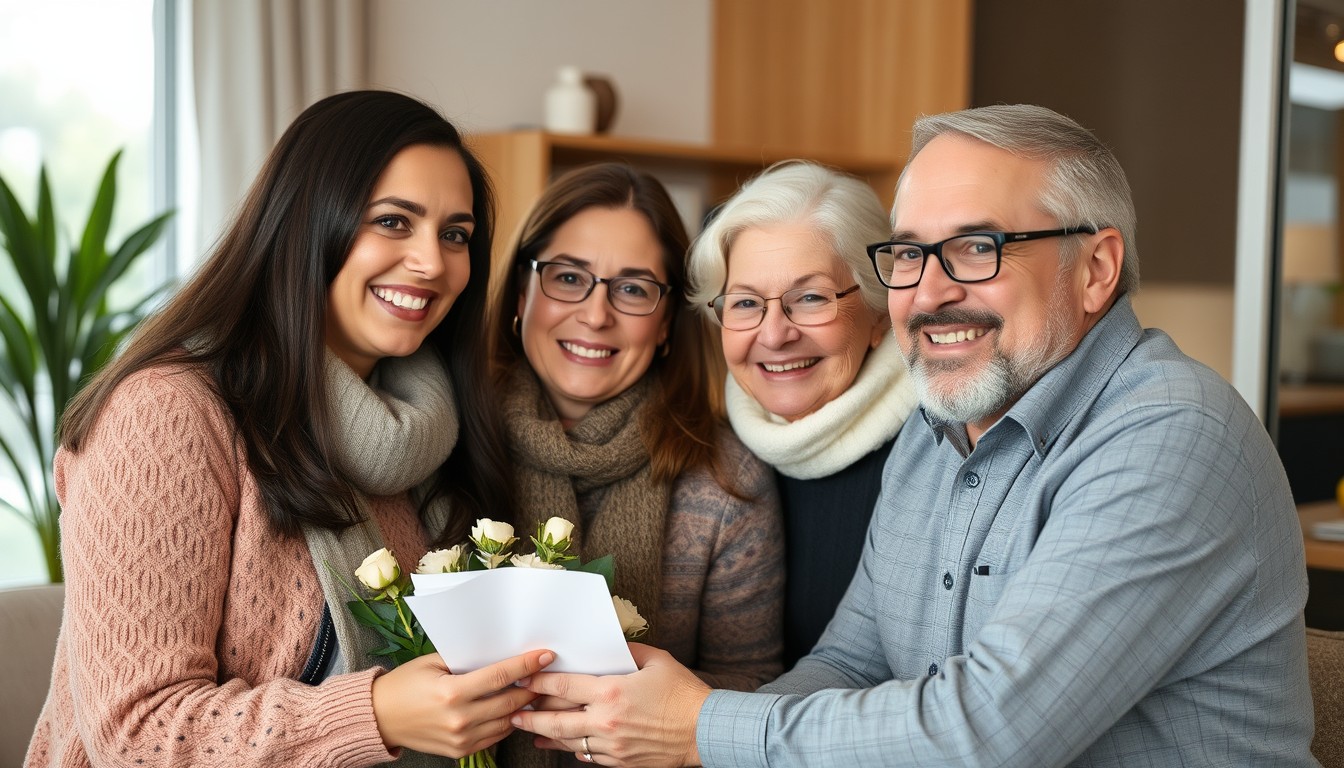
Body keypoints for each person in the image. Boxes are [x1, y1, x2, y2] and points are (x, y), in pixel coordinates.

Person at [510, 104, 1318, 766]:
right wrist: (681, 724)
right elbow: (848, 664)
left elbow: (990, 732)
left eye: (976, 247)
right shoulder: (936, 432)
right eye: (908, 253)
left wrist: (698, 731)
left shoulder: (1172, 435)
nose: (928, 293)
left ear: (1098, 269)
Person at [26, 90, 552, 767]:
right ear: (307, 224)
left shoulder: (436, 429)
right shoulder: (168, 412)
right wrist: (377, 713)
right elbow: (138, 733)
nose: (433, 262)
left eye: (456, 234)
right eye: (394, 221)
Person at [490, 162, 785, 765]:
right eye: (568, 277)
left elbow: (754, 683)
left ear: (667, 322)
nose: (596, 315)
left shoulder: (726, 482)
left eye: (632, 288)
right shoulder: (455, 439)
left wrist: (661, 716)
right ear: (521, 293)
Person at [686, 161, 917, 668]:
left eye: (810, 298)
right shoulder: (709, 464)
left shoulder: (938, 456)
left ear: (880, 312)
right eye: (745, 303)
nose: (774, 334)